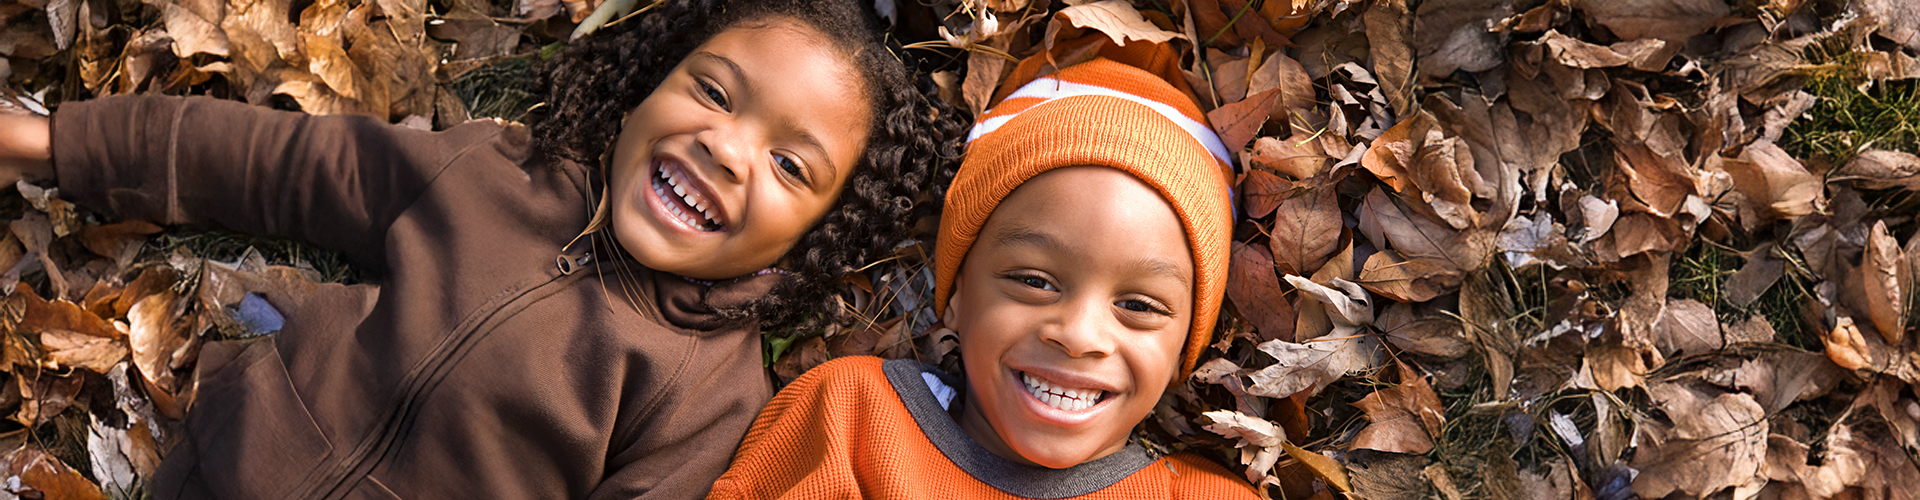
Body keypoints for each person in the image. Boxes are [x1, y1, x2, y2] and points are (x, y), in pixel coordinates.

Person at [0, 0, 963, 497]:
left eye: (792, 167)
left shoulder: (707, 395)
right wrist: (60, 143)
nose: (727, 147)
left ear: (815, 235)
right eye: (712, 93)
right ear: (645, 87)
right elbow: (278, 163)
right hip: (223, 469)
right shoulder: (494, 176)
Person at [706, 37, 1259, 499]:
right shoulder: (852, 420)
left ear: (1190, 341)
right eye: (1034, 281)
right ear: (956, 292)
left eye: (1138, 306)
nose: (1079, 336)